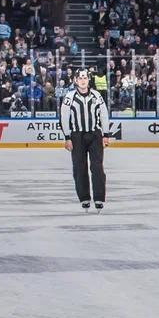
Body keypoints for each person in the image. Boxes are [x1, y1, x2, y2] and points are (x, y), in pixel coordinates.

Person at [58, 68, 110, 212]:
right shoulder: (69, 97)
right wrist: (67, 137)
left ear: (89, 80)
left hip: (95, 134)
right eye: (80, 78)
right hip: (76, 136)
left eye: (85, 78)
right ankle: (84, 198)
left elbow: (104, 115)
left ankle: (99, 198)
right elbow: (64, 117)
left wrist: (105, 134)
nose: (82, 80)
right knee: (79, 167)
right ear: (75, 80)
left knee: (97, 167)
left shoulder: (96, 95)